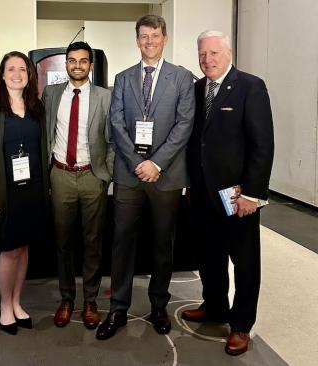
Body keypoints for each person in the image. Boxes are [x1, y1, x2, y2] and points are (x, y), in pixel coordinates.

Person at [96, 15, 195, 340]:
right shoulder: (123, 79)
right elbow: (116, 122)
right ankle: (118, 308)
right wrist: (139, 162)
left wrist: (157, 163)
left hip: (166, 176)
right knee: (122, 241)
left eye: (155, 35)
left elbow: (184, 125)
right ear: (137, 40)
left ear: (164, 38)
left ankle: (158, 306)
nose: (149, 41)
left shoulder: (182, 78)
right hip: (129, 174)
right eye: (143, 36)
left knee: (162, 243)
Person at [183, 30, 274, 356]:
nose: (207, 60)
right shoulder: (196, 89)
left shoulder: (251, 86)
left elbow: (262, 146)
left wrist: (253, 194)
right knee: (209, 256)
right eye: (202, 54)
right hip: (202, 193)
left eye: (213, 53)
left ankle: (240, 325)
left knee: (245, 261)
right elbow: (196, 141)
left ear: (229, 52)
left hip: (237, 197)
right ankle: (215, 306)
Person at [0, 51, 49, 335]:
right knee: (9, 249)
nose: (17, 74)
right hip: (5, 192)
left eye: (22, 69)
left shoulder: (36, 108)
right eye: (11, 69)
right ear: (2, 74)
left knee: (24, 246)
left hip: (33, 190)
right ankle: (5, 306)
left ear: (29, 75)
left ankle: (18, 302)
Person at [42, 42, 113, 330]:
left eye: (83, 61)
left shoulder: (104, 97)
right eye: (72, 61)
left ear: (91, 66)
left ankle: (91, 301)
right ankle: (67, 299)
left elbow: (113, 139)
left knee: (93, 241)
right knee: (63, 242)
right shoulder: (51, 94)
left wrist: (105, 174)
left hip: (92, 176)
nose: (77, 66)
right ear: (66, 64)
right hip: (60, 175)